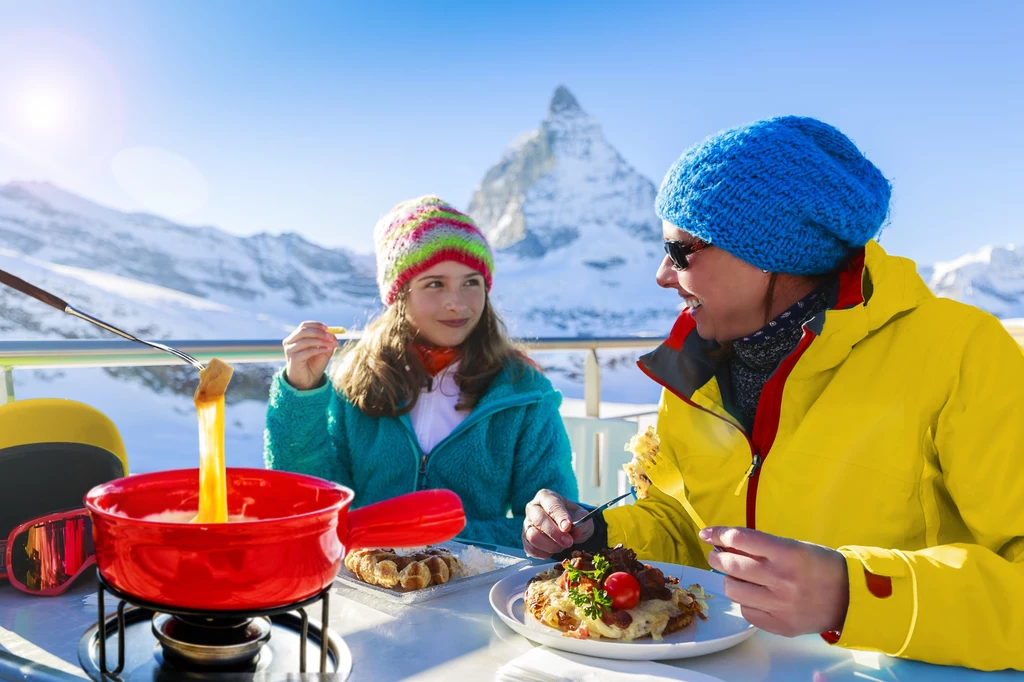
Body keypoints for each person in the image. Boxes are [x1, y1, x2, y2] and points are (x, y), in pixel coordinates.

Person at [521, 116, 1024, 670]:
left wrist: (857, 595)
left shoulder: (961, 353)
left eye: (682, 250)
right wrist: (597, 536)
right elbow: (687, 532)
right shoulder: (698, 367)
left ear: (770, 252)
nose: (664, 274)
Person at [265, 195, 578, 548]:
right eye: (435, 284)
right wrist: (302, 391)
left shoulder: (522, 392)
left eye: (471, 282)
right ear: (399, 294)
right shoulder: (355, 381)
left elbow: (555, 523)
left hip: (474, 588)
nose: (457, 302)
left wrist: (439, 542)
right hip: (368, 581)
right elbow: (310, 498)